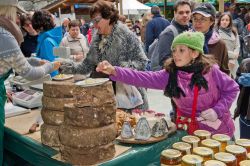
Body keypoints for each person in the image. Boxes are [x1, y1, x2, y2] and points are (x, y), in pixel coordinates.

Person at [96, 31, 239, 137]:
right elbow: (141, 77)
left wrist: (217, 110)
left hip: (218, 131)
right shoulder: (170, 74)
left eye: (182, 50)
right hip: (187, 133)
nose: (176, 54)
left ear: (195, 53)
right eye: (174, 50)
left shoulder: (211, 71)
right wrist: (114, 70)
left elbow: (232, 89)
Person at [0, 0, 60, 164]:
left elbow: (11, 59)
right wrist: (49, 66)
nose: (18, 19)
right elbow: (28, 73)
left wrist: (35, 61)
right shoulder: (5, 35)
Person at [60, 0, 149, 110]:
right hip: (104, 97)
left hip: (129, 99)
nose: (95, 25)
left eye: (97, 20)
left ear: (109, 17)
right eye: (93, 21)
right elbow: (87, 65)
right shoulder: (97, 38)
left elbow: (142, 62)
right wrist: (67, 66)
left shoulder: (125, 35)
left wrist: (118, 69)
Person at [192, 2, 230, 75]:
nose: (198, 22)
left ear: (212, 21)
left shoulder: (220, 44)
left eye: (203, 19)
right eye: (195, 19)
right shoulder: (185, 41)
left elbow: (225, 73)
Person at [158, 0, 191, 67]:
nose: (185, 15)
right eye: (181, 13)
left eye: (187, 12)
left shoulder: (191, 29)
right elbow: (164, 61)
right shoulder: (168, 33)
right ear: (175, 13)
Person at [32, 10, 63, 77]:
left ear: (41, 27)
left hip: (49, 81)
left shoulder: (46, 41)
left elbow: (51, 67)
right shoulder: (51, 38)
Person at [217, 12, 240, 78]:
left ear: (230, 21)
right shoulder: (216, 33)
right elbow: (219, 49)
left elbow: (237, 46)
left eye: (227, 20)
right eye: (223, 20)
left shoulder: (234, 32)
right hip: (222, 61)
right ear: (220, 21)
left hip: (234, 62)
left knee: (234, 81)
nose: (224, 22)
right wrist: (233, 55)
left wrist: (234, 58)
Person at [234, 58, 250, 138]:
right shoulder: (245, 62)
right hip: (244, 111)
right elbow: (236, 79)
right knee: (244, 144)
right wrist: (239, 80)